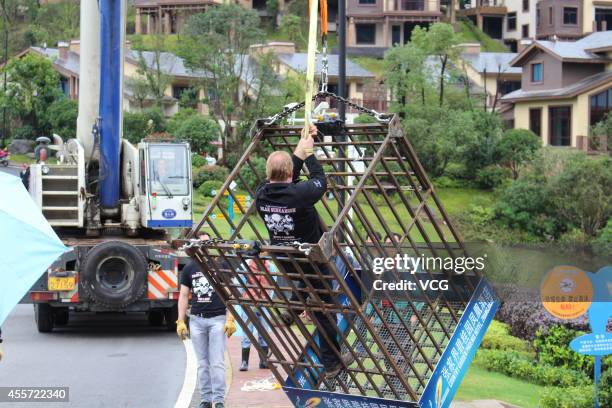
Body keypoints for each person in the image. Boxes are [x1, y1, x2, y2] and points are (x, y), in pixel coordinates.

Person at [255, 124, 352, 379]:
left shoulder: (261, 195)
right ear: (290, 173)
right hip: (310, 258)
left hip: (286, 259)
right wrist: (309, 155)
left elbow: (285, 179)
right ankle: (331, 362)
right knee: (324, 306)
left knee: (306, 285)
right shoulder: (301, 193)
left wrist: (301, 148)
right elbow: (321, 180)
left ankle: (294, 306)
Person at [176, 233, 236, 408]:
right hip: (197, 320)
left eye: (206, 243)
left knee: (216, 362)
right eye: (199, 243)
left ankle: (218, 400)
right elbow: (184, 295)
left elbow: (231, 295)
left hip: (217, 319)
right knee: (202, 364)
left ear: (210, 245)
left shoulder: (221, 266)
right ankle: (205, 399)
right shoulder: (189, 268)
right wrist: (180, 321)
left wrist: (230, 318)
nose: (203, 247)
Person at [239, 259, 271, 371]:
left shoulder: (269, 266)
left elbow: (272, 284)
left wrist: (267, 300)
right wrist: (243, 300)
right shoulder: (245, 265)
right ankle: (244, 362)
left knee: (264, 332)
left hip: (263, 302)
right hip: (249, 301)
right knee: (247, 331)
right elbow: (239, 283)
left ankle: (264, 361)